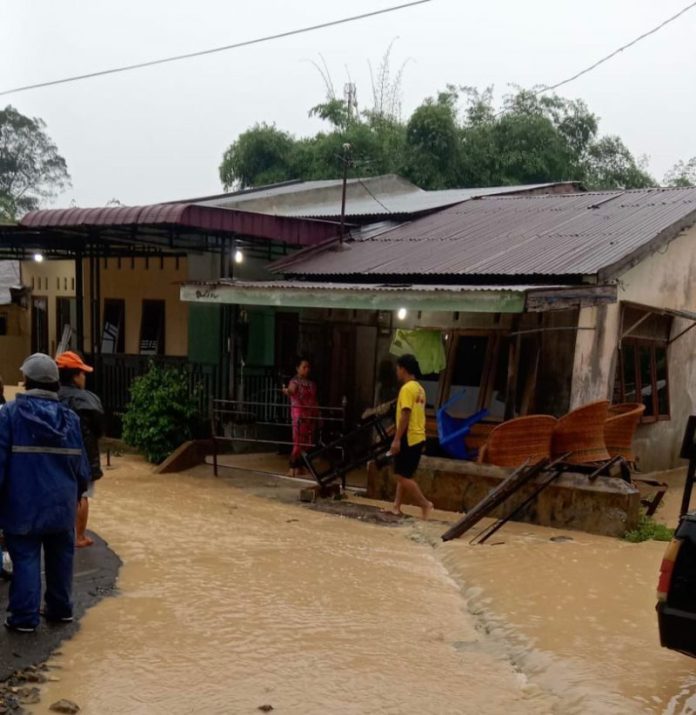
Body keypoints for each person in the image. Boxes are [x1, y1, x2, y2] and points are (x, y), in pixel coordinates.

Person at [0, 353, 90, 632]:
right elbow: (81, 467)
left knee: (26, 559)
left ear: (26, 381)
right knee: (61, 559)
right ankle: (60, 609)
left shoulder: (11, 415)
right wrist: (77, 495)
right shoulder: (70, 419)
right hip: (62, 506)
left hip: (23, 506)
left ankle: (24, 618)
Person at [56, 351, 104, 549]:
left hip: (56, 455)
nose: (84, 377)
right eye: (82, 373)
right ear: (76, 376)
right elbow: (100, 429)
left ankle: (59, 530)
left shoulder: (52, 396)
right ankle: (79, 536)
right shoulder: (89, 400)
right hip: (84, 455)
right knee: (82, 494)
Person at [385, 354, 433, 520]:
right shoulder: (420, 389)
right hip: (418, 435)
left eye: (397, 369)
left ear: (403, 369)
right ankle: (396, 507)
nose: (396, 372)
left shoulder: (406, 389)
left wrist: (397, 438)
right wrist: (395, 428)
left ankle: (425, 504)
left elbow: (406, 414)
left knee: (399, 475)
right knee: (404, 473)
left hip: (409, 436)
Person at [282, 356, 319, 477]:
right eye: (304, 367)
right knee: (298, 442)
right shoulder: (294, 382)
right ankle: (292, 466)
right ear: (298, 368)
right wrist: (287, 391)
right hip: (299, 414)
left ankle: (300, 466)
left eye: (308, 367)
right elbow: (291, 391)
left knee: (307, 443)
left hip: (310, 414)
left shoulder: (311, 384)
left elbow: (314, 400)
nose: (306, 369)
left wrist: (318, 414)